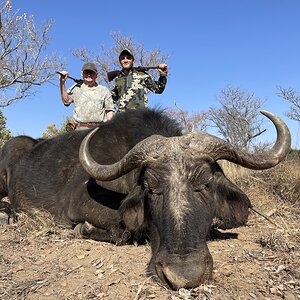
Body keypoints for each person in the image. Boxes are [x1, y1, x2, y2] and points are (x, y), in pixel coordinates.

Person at [59, 62, 114, 130]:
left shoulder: (104, 90)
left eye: (91, 73)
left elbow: (109, 112)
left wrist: (109, 129)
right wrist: (62, 83)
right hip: (79, 130)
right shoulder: (76, 89)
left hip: (99, 129)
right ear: (82, 74)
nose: (89, 75)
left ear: (96, 75)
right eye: (86, 72)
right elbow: (66, 101)